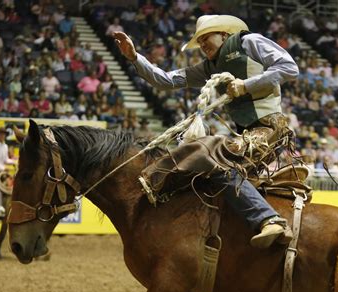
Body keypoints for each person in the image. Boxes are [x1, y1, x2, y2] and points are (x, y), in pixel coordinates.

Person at [112, 14, 299, 248]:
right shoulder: (210, 67)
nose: (201, 45)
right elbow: (167, 81)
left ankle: (269, 219)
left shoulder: (248, 42)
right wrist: (135, 58)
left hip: (269, 127)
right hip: (247, 134)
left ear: (224, 34)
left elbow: (289, 67)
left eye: (204, 38)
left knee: (215, 160)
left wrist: (246, 85)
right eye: (198, 41)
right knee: (203, 165)